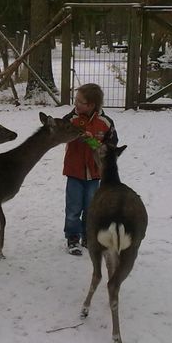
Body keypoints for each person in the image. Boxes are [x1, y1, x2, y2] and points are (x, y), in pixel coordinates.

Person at [62, 83, 115, 256]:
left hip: (94, 174)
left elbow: (109, 148)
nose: (75, 104)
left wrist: (92, 141)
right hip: (74, 172)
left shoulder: (105, 123)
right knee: (73, 207)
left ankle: (88, 236)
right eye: (76, 100)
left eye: (80, 102)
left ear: (91, 105)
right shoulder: (71, 119)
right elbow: (58, 134)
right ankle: (72, 237)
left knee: (91, 207)